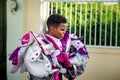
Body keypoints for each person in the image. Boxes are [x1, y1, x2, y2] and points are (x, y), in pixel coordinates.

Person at [45, 14, 74, 80]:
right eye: (62, 29)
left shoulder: (62, 44)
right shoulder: (42, 44)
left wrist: (69, 66)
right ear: (52, 29)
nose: (65, 32)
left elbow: (68, 73)